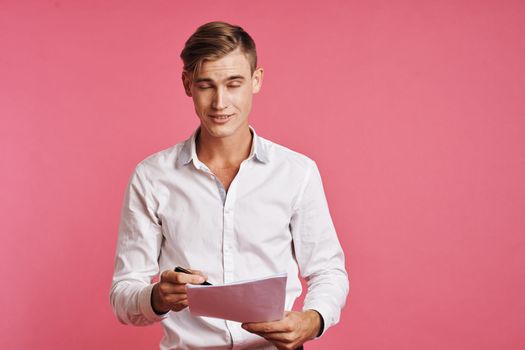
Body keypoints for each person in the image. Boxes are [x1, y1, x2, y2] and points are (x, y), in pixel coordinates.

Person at [110, 21, 349, 350]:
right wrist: (157, 297)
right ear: (187, 84)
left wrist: (312, 320)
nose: (220, 102)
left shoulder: (298, 172)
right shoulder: (151, 178)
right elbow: (124, 295)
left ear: (256, 80)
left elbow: (328, 270)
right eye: (206, 85)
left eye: (233, 83)